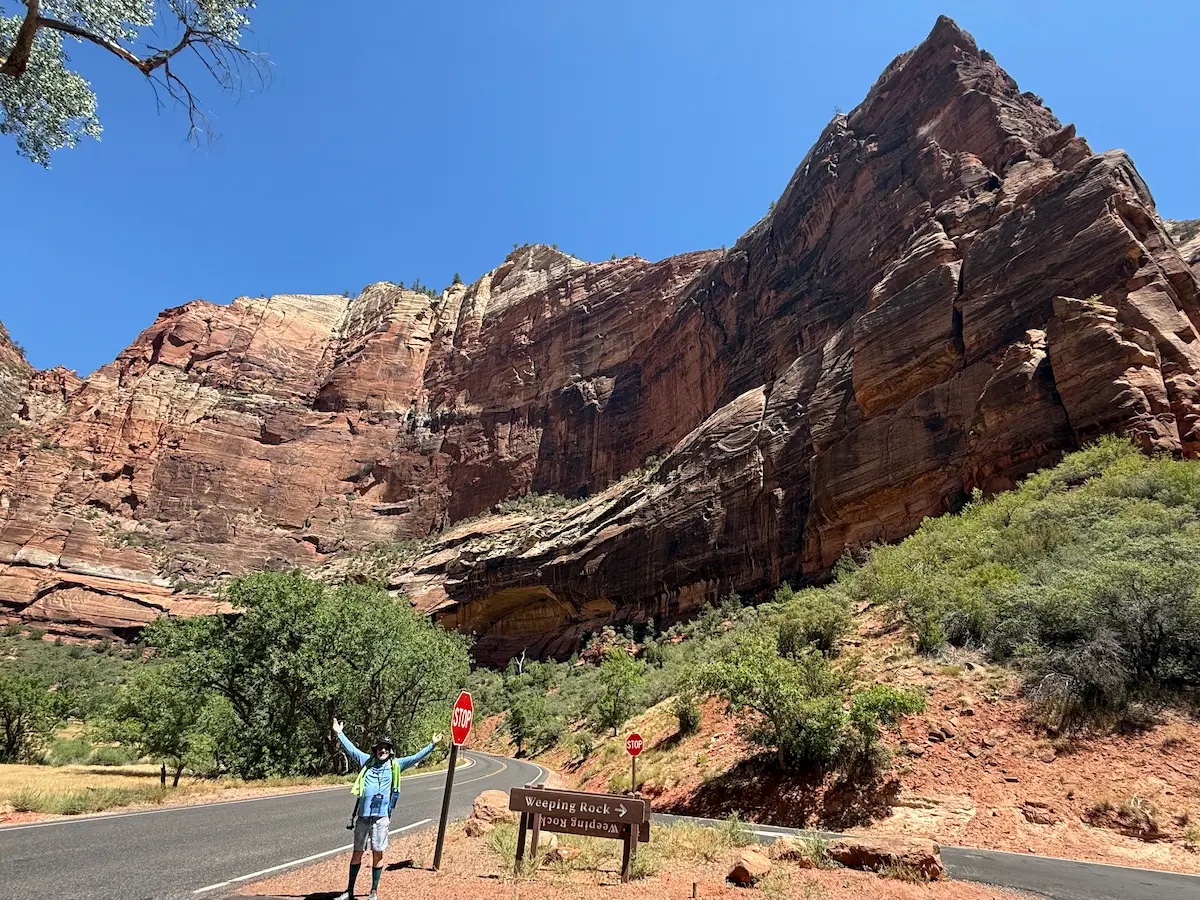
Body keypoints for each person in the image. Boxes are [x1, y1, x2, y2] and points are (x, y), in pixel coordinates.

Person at [332, 717, 442, 900]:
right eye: (380, 747)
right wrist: (339, 733)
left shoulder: (395, 765)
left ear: (390, 751)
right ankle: (349, 891)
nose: (382, 750)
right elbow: (351, 750)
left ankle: (373, 892)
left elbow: (416, 757)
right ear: (375, 750)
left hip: (381, 816)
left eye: (386, 748)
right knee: (357, 852)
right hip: (363, 816)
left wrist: (432, 744)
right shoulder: (366, 761)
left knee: (378, 852)